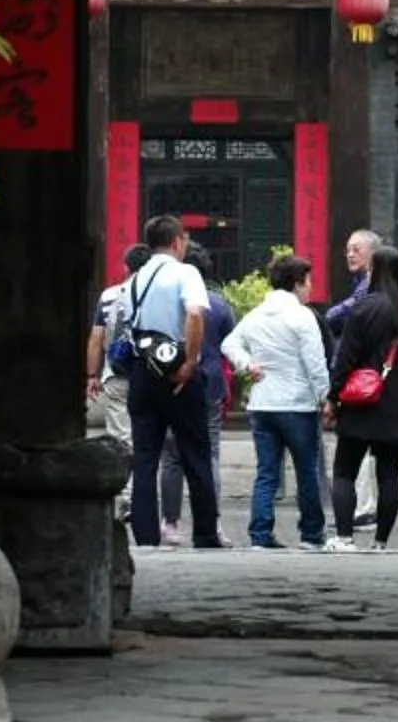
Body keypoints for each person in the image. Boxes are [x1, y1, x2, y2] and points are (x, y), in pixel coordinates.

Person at [122, 214, 222, 549]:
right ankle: (205, 532)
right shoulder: (185, 272)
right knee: (195, 452)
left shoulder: (133, 281)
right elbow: (194, 313)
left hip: (142, 373)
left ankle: (146, 536)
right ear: (178, 241)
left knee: (145, 457)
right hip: (178, 373)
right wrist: (190, 362)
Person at [223, 253, 332, 550]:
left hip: (262, 403)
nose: (310, 288)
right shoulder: (302, 316)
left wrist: (247, 365)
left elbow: (229, 343)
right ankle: (311, 534)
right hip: (297, 404)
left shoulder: (256, 315)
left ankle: (260, 534)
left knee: (267, 473)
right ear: (297, 283)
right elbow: (315, 363)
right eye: (308, 282)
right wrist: (325, 396)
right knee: (306, 470)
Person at [328, 248, 398, 550]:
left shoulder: (363, 308)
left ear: (376, 271)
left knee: (345, 471)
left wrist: (333, 396)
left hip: (361, 403)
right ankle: (381, 541)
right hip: (396, 407)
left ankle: (344, 537)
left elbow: (345, 358)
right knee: (389, 475)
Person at [158, 250, 236, 530]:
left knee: (172, 456)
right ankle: (211, 522)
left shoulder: (168, 302)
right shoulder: (220, 305)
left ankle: (170, 524)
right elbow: (231, 345)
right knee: (210, 452)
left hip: (174, 381)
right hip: (210, 384)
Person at [83, 243, 149, 457]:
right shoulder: (156, 295)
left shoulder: (110, 295)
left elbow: (96, 338)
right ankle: (144, 484)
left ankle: (125, 487)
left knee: (121, 437)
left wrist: (92, 375)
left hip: (116, 372)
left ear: (126, 267)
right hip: (150, 372)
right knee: (148, 433)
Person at [321, 229, 380, 335]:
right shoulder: (359, 279)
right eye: (348, 251)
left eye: (356, 250)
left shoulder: (371, 282)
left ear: (373, 254)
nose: (350, 255)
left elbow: (334, 315)